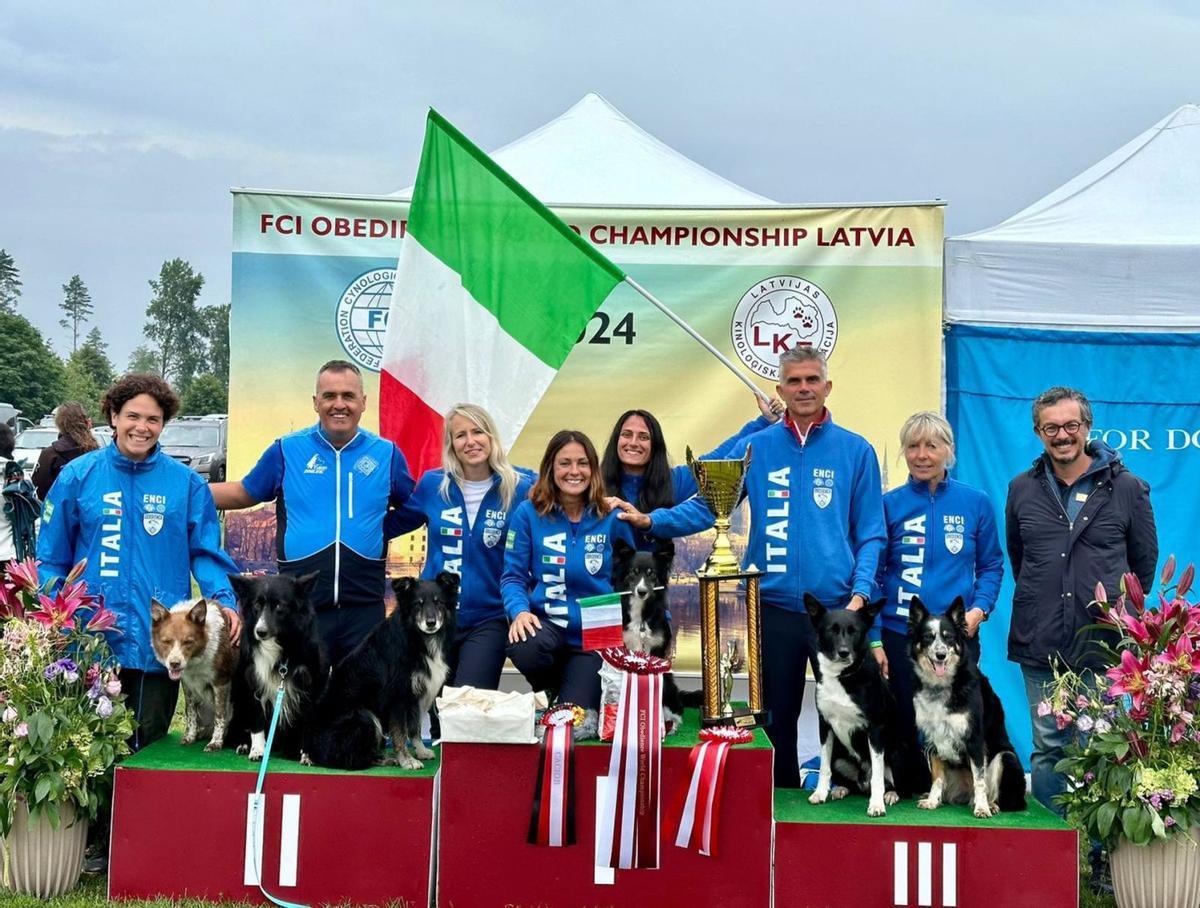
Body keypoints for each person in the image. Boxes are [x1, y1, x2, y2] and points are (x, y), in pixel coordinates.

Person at [702, 345, 886, 787]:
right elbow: (707, 504)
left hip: (838, 613)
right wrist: (652, 520)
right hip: (772, 607)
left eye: (811, 380)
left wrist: (860, 594)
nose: (803, 388)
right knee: (774, 715)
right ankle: (775, 802)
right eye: (794, 381)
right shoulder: (757, 446)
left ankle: (841, 802)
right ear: (780, 389)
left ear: (827, 386)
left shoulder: (856, 450)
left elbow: (872, 533)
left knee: (842, 712)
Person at [37, 373, 241, 749]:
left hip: (159, 647)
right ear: (113, 416)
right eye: (133, 416)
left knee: (147, 754)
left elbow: (207, 553)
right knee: (87, 755)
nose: (142, 427)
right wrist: (55, 616)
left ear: (163, 424)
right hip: (91, 641)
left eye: (153, 419)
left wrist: (225, 601)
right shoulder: (78, 476)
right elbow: (50, 559)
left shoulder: (187, 484)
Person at [1006, 387, 1157, 810]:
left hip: (1102, 644)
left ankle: (1097, 857)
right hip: (1041, 643)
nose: (1062, 435)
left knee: (1103, 746)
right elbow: (1022, 561)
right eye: (1051, 427)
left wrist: (1116, 612)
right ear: (1038, 432)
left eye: (1071, 425)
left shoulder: (1127, 488)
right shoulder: (1022, 488)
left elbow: (1142, 568)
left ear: (1087, 427)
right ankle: (1053, 852)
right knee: (1049, 745)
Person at [212, 360, 414, 664]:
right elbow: (244, 493)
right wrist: (182, 492)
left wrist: (380, 528)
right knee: (302, 703)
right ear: (315, 403)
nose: (339, 405)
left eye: (348, 396)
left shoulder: (387, 453)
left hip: (364, 608)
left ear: (363, 403)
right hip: (299, 610)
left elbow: (415, 507)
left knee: (363, 703)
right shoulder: (286, 449)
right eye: (329, 396)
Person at [875, 411, 1004, 780]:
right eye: (913, 446)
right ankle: (908, 791)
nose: (922, 454)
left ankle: (961, 791)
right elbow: (874, 572)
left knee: (955, 719)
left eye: (932, 445)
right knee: (904, 717)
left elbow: (992, 566)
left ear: (948, 451)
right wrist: (874, 638)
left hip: (956, 638)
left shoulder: (975, 503)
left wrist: (978, 611)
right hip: (902, 635)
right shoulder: (889, 504)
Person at [385, 403, 534, 690]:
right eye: (460, 435)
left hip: (488, 619)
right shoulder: (433, 485)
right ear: (451, 444)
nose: (470, 441)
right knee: (439, 710)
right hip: (435, 617)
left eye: (478, 432)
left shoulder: (520, 487)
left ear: (491, 437)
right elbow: (392, 525)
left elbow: (566, 495)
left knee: (469, 705)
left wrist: (609, 506)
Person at [501, 430, 634, 731]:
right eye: (565, 463)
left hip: (595, 640)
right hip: (548, 630)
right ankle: (551, 687)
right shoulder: (528, 513)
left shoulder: (612, 515)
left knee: (571, 723)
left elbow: (630, 576)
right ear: (550, 468)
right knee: (524, 643)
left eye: (582, 463)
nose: (574, 471)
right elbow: (513, 576)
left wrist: (631, 628)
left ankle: (571, 688)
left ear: (593, 469)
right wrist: (519, 611)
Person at [601, 397, 782, 549]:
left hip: (648, 586)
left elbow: (717, 458)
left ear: (655, 446)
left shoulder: (671, 482)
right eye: (626, 434)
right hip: (600, 588)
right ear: (616, 440)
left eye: (643, 437)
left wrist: (764, 421)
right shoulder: (595, 486)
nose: (633, 443)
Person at [32, 401, 99, 501]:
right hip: (89, 510)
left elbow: (39, 489)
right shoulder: (96, 453)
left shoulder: (49, 455)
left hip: (58, 511)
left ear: (59, 424)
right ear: (86, 423)